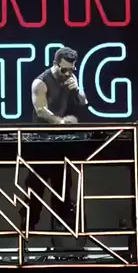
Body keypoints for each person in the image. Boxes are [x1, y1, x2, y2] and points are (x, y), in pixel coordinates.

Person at [20, 47, 87, 231]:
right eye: (64, 70)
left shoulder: (70, 79)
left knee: (63, 188)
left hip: (59, 144)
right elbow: (41, 110)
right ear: (55, 64)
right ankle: (27, 228)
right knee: (35, 189)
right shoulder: (40, 82)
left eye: (72, 70)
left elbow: (84, 102)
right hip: (40, 143)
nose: (68, 74)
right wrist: (62, 122)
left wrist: (77, 89)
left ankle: (63, 230)